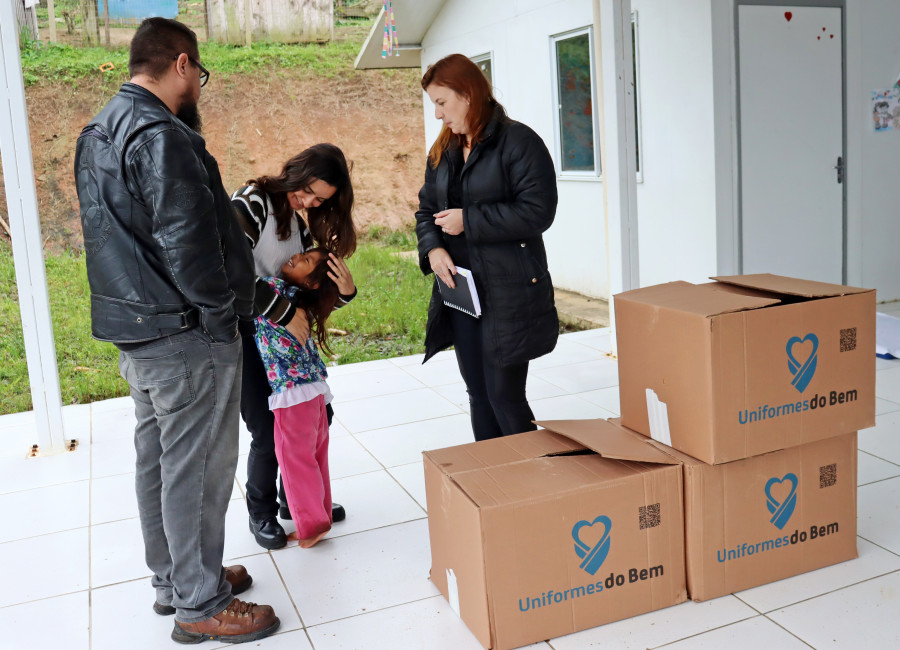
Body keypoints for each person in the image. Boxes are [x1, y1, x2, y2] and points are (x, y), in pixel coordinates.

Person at [73, 18, 279, 645]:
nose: (199, 87)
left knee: (159, 459)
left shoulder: (98, 129)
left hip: (136, 330)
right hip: (184, 333)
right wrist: (222, 318)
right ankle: (200, 602)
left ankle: (176, 579)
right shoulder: (164, 135)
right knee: (198, 468)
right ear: (183, 64)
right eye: (200, 75)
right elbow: (190, 246)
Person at [415, 53, 559, 442]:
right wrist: (433, 251)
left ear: (468, 94)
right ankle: (494, 487)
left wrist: (470, 220)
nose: (438, 115)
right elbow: (427, 210)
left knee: (505, 396)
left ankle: (534, 485)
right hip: (462, 291)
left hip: (509, 293)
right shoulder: (443, 150)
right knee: (478, 395)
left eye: (441, 103)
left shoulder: (519, 142)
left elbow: (538, 212)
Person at [231, 144, 357, 550]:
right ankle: (262, 512)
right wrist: (283, 312)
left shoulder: (299, 226)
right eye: (307, 191)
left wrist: (345, 292)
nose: (309, 202)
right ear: (295, 171)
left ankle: (296, 500)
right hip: (245, 336)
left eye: (319, 200)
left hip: (283, 344)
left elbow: (305, 296)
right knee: (267, 430)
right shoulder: (251, 204)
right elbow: (227, 273)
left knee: (319, 417)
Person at [255, 248, 341, 548]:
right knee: (316, 457)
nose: (295, 257)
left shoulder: (275, 291)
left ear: (313, 283)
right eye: (304, 254)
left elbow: (247, 285)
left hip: (292, 394)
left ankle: (311, 527)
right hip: (314, 391)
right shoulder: (304, 301)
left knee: (295, 463)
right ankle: (321, 515)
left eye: (305, 262)